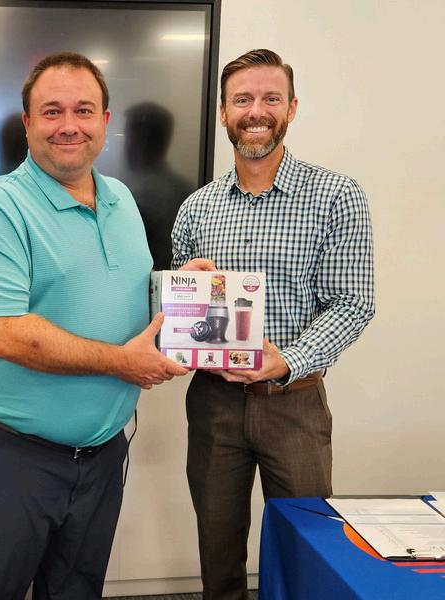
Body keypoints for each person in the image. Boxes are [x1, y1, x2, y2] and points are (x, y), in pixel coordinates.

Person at [0, 51, 211, 600]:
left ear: (105, 121)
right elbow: (1, 333)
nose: (69, 125)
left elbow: (119, 291)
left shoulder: (120, 198)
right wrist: (122, 363)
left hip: (101, 457)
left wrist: (178, 290)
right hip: (12, 461)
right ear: (28, 123)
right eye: (52, 111)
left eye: (84, 110)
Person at [171, 49, 375, 600]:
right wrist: (177, 299)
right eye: (242, 99)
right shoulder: (196, 208)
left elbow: (353, 302)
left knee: (308, 548)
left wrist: (286, 360)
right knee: (218, 553)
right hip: (213, 403)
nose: (255, 111)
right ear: (223, 112)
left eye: (270, 98)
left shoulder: (336, 196)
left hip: (295, 404)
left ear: (292, 108)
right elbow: (180, 312)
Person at [123, 101, 193, 270]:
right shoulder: (187, 189)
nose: (125, 146)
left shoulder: (134, 194)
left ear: (137, 140)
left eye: (127, 138)